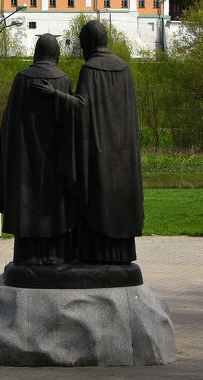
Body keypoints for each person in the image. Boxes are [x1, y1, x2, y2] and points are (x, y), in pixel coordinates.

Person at [38, 20, 144, 264]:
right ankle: (122, 255)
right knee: (118, 201)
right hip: (123, 151)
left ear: (89, 43)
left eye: (82, 43)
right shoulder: (124, 68)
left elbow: (81, 107)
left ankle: (93, 254)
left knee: (97, 201)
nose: (82, 48)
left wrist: (55, 94)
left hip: (99, 152)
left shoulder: (91, 69)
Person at [0, 33, 75, 265]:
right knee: (54, 206)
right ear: (56, 55)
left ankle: (27, 258)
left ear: (36, 53)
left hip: (25, 161)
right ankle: (56, 257)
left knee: (27, 203)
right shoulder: (62, 80)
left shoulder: (22, 79)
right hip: (55, 161)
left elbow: (9, 122)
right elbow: (72, 122)